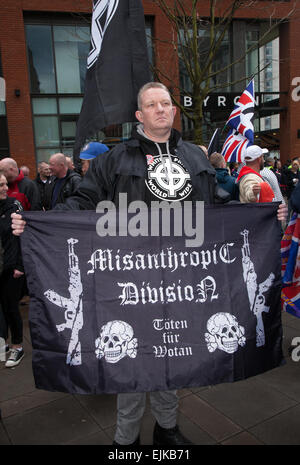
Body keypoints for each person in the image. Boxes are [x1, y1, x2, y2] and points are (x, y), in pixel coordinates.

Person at [11, 82, 288, 445]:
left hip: (184, 276)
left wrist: (263, 214)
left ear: (173, 111)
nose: (161, 109)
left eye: (166, 103)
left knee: (175, 349)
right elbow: (83, 201)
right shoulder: (116, 158)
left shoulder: (195, 157)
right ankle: (126, 440)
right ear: (139, 115)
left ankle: (167, 428)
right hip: (129, 278)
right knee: (133, 359)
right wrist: (34, 224)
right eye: (151, 105)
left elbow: (216, 212)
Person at [0, 171, 25, 367]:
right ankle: (4, 343)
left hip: (11, 267)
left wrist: (19, 265)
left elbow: (21, 237)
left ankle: (17, 346)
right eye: (1, 185)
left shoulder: (13, 206)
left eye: (5, 184)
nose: (6, 188)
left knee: (11, 308)